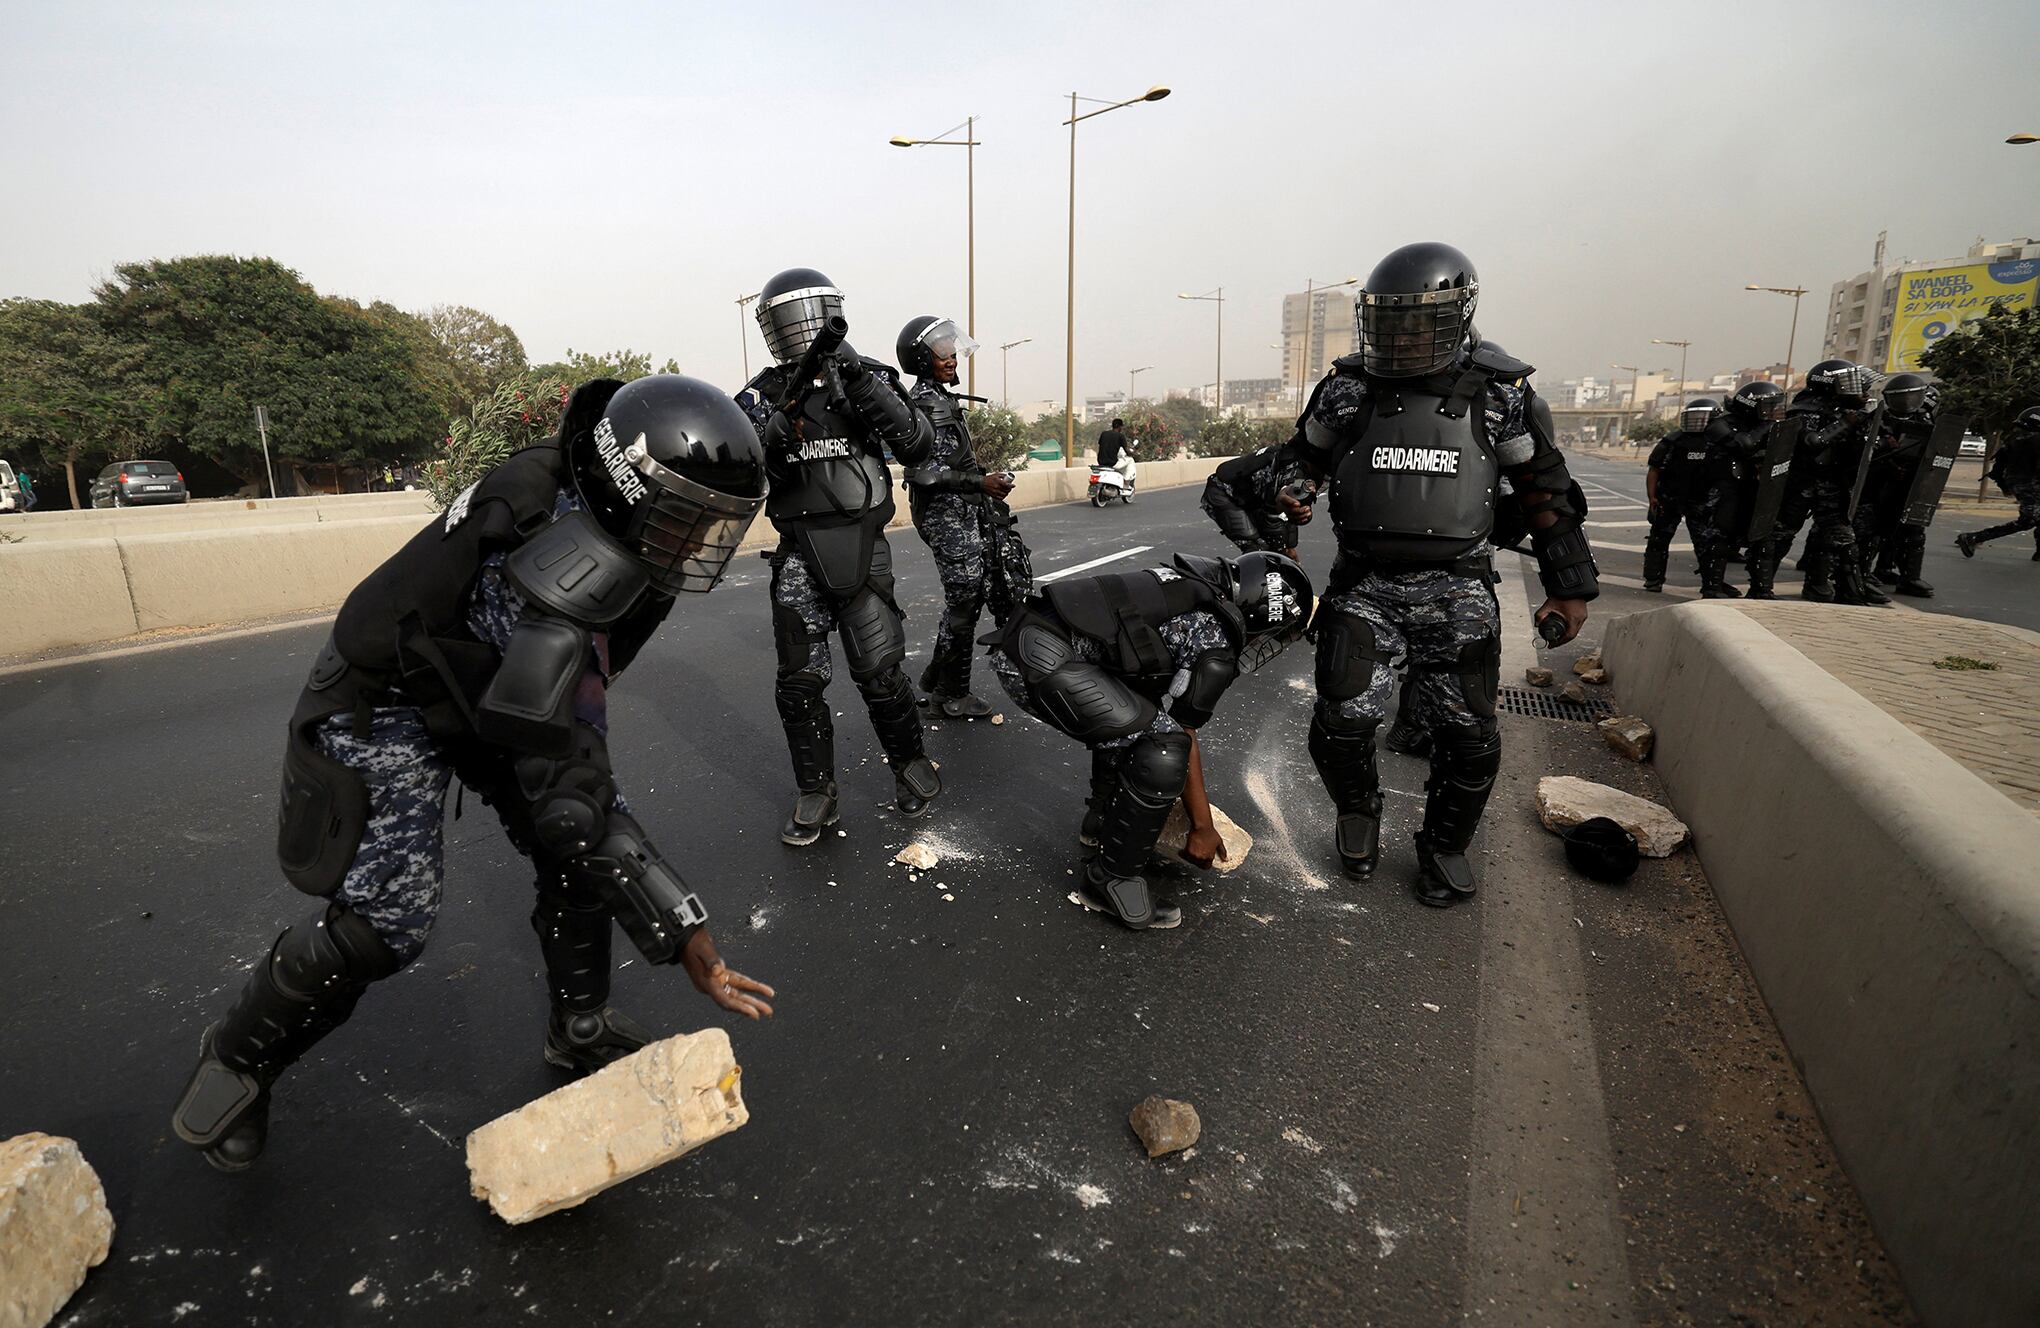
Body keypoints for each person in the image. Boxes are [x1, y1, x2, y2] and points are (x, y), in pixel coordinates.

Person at [169, 376, 778, 1172]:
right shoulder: (555, 568)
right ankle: (236, 1060)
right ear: (631, 493)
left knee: (577, 856)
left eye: (710, 526)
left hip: (487, 681)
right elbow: (573, 794)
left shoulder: (593, 493)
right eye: (682, 520)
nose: (694, 543)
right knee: (388, 921)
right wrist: (685, 930)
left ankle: (581, 1024)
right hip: (391, 697)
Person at [1295, 242, 1598, 907]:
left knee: (1467, 735)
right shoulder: (1347, 389)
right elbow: (1299, 471)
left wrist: (1570, 587)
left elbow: (1546, 494)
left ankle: (1443, 848)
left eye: (1417, 320)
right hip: (1363, 587)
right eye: (1389, 319)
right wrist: (1280, 523)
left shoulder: (1500, 395)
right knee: (1341, 723)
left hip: (1458, 590)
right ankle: (1359, 810)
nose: (1401, 335)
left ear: (1458, 315)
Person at [983, 551, 1313, 930]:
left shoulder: (1200, 586)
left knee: (1138, 718)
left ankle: (1101, 826)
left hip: (1032, 642)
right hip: (1041, 661)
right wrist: (1202, 827)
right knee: (1164, 746)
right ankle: (1109, 883)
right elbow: (1183, 733)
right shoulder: (1215, 642)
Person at [736, 268, 941, 845]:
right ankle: (816, 790)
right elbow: (740, 464)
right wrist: (771, 434)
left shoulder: (868, 374)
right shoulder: (758, 394)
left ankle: (909, 764)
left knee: (880, 673)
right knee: (799, 682)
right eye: (782, 317)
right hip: (798, 552)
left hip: (863, 544)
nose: (795, 327)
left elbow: (918, 442)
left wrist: (857, 378)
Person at [896, 314, 1035, 719]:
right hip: (946, 518)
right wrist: (979, 483)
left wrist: (983, 483)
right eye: (941, 351)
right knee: (963, 605)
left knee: (967, 603)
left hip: (961, 513)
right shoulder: (925, 404)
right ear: (922, 358)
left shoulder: (939, 397)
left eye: (951, 348)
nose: (952, 356)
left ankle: (938, 686)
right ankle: (950, 694)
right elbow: (921, 474)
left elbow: (949, 461)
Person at [1750, 360, 1887, 604]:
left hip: (1831, 487)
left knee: (1842, 540)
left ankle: (1845, 591)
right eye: (1853, 385)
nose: (1862, 392)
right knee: (1779, 537)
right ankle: (1760, 591)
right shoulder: (1804, 411)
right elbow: (1812, 442)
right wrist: (1847, 423)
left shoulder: (1845, 411)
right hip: (1799, 485)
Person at [1691, 381, 1787, 598]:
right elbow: (1744, 445)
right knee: (1719, 540)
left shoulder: (1772, 427)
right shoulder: (1721, 424)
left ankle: (1762, 589)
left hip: (1757, 491)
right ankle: (1712, 588)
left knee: (1764, 539)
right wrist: (1765, 427)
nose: (1773, 412)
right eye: (1768, 407)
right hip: (1725, 492)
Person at [1641, 400, 1716, 592]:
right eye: (1694, 418)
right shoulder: (1673, 441)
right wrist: (1652, 498)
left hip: (1701, 502)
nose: (1698, 422)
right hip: (1670, 499)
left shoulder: (1717, 443)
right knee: (1658, 540)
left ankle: (1711, 584)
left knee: (1706, 544)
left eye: (1703, 418)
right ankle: (1653, 579)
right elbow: (1654, 470)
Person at [1200, 443, 1318, 560]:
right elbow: (1272, 517)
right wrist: (1283, 550)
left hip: (1251, 495)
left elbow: (1287, 511)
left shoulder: (1296, 463)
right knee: (1257, 549)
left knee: (1277, 549)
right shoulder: (1284, 468)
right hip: (1222, 491)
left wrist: (1290, 546)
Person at [1957, 404, 2040, 561]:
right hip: (2031, 485)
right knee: (2029, 520)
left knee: (2034, 517)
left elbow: (1998, 468)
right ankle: (1973, 538)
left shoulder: (2014, 441)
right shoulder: (2035, 440)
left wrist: (2004, 486)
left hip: (2018, 484)